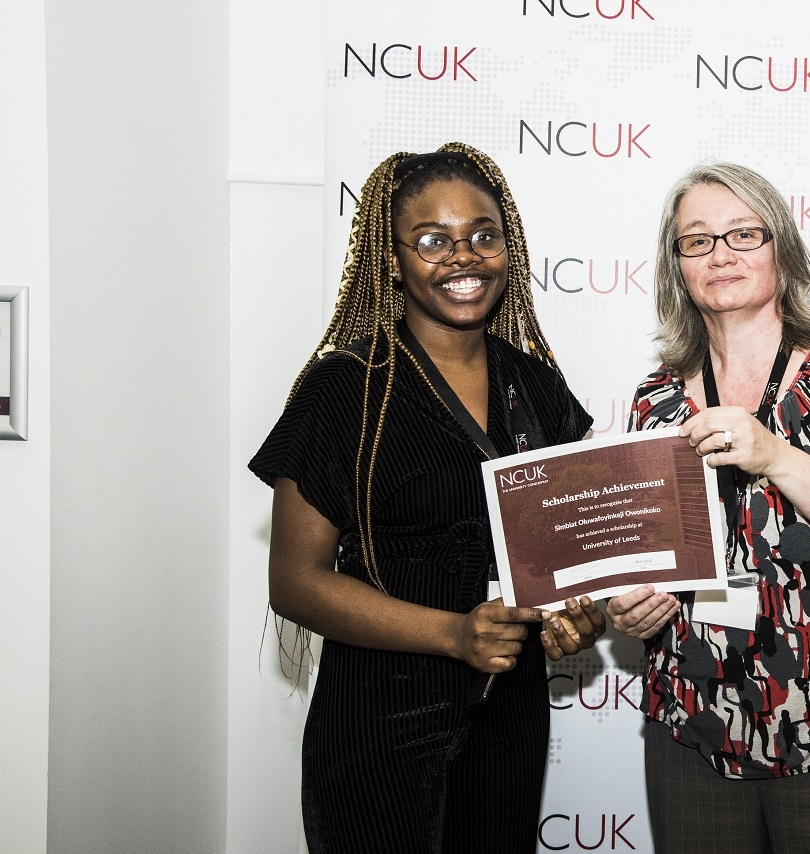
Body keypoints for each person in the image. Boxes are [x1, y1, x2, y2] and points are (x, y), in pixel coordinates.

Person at [248, 143, 605, 854]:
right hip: (380, 719)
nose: (464, 258)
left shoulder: (536, 387)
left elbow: (571, 564)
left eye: (484, 236)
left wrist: (579, 617)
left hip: (507, 715)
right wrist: (452, 634)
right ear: (392, 256)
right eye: (433, 240)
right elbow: (294, 582)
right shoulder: (345, 389)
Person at [607, 163, 810, 854]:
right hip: (696, 730)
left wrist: (775, 455)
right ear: (677, 267)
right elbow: (649, 558)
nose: (720, 254)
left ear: (780, 247)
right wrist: (631, 607)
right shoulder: (655, 399)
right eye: (696, 241)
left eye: (742, 234)